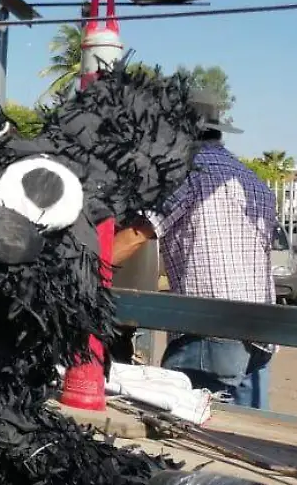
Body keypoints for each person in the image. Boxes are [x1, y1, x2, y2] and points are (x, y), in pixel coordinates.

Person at [111, 89, 277, 409]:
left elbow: (135, 235)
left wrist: (79, 269)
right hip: (261, 332)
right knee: (241, 432)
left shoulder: (186, 173)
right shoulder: (252, 181)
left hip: (210, 329)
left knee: (186, 428)